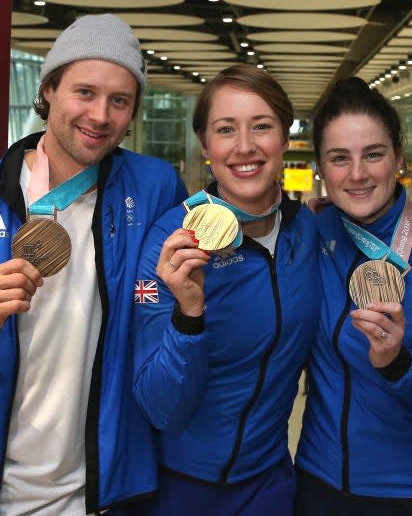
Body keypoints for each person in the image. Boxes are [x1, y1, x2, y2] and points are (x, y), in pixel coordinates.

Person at [0, 14, 188, 516]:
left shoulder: (155, 188)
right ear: (49, 89)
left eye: (119, 100)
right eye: (84, 92)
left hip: (106, 491)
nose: (99, 115)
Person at [131, 64, 321, 516]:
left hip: (268, 483)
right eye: (225, 129)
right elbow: (161, 410)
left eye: (262, 126)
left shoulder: (308, 230)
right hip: (176, 488)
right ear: (205, 146)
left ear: (284, 138)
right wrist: (188, 314)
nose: (244, 147)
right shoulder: (172, 242)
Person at [294, 77, 412, 516]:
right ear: (320, 167)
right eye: (339, 158)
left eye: (373, 154)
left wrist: (399, 364)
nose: (357, 174)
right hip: (317, 483)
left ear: (398, 157)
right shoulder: (311, 233)